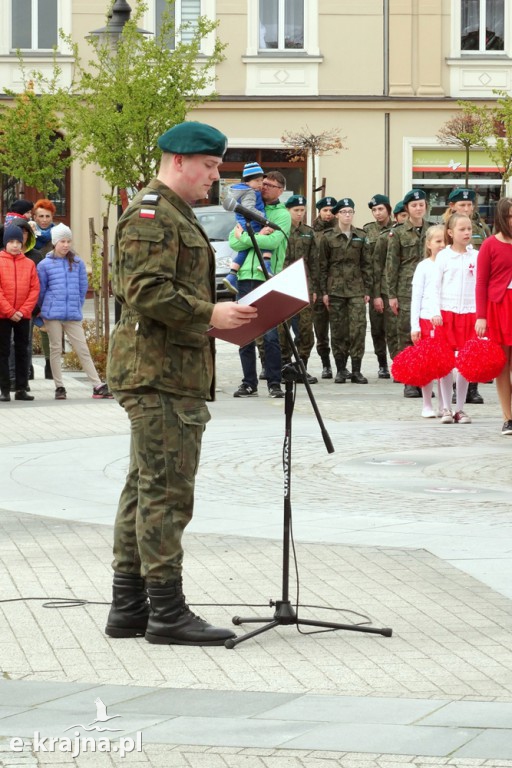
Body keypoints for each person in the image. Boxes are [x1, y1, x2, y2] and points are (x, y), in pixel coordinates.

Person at [105, 121, 256, 646]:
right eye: (210, 166)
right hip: (158, 372)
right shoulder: (153, 214)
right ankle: (167, 612)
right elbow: (145, 290)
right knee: (168, 493)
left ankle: (129, 607)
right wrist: (210, 311)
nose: (215, 177)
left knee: (143, 488)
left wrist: (213, 313)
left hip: (166, 369)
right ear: (178, 161)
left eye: (217, 167)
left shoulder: (174, 213)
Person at [230, 170, 291, 399]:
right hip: (245, 276)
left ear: (280, 190)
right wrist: (244, 238)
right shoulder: (249, 205)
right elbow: (231, 240)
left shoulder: (282, 214)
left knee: (270, 336)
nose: (264, 188)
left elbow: (273, 241)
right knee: (244, 333)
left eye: (270, 185)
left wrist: (245, 237)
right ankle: (248, 382)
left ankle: (275, 383)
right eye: (263, 183)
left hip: (267, 277)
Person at [37, 224, 112, 401]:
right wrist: (43, 310)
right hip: (52, 313)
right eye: (62, 241)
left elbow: (82, 287)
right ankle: (59, 386)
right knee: (56, 349)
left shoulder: (77, 263)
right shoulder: (44, 265)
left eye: (68, 241)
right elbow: (41, 290)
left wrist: (77, 305)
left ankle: (97, 384)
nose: (66, 245)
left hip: (72, 313)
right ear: (55, 242)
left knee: (82, 348)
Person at [385, 188, 435, 397]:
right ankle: (409, 381)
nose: (418, 208)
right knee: (406, 335)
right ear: (407, 208)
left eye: (421, 205)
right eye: (414, 205)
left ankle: (425, 380)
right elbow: (391, 265)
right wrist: (392, 295)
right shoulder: (397, 233)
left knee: (427, 336)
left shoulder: (434, 230)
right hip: (406, 290)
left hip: (430, 289)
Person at [319, 197, 372, 384]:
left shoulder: (361, 236)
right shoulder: (327, 237)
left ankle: (356, 369)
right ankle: (341, 369)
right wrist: (324, 291)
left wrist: (367, 288)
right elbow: (322, 266)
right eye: (343, 212)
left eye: (350, 212)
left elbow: (367, 264)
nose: (347, 215)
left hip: (356, 289)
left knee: (358, 329)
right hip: (335, 290)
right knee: (338, 330)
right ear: (337, 215)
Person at [432, 213, 477, 424]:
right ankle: (446, 408)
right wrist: (435, 311)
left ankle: (460, 408)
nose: (467, 232)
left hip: (469, 312)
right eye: (462, 229)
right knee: (445, 362)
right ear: (450, 232)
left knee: (465, 363)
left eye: (469, 228)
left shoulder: (475, 256)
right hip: (446, 313)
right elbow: (435, 286)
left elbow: (480, 285)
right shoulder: (443, 257)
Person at [445, 187, 488, 406]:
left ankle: (472, 388)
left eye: (470, 204)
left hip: (473, 301)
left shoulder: (481, 229)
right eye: (462, 205)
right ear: (452, 206)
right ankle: (453, 388)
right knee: (452, 350)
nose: (467, 208)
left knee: (472, 347)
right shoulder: (444, 235)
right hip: (451, 302)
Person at [475, 197, 512, 435]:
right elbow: (481, 283)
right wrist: (481, 316)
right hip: (500, 307)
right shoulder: (490, 245)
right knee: (503, 365)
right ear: (501, 217)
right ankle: (508, 417)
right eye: (510, 215)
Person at [278, 195, 317, 384]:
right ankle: (284, 366)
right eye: (296, 210)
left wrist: (315, 287)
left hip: (303, 283)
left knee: (305, 330)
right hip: (283, 284)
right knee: (282, 329)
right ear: (288, 211)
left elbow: (315, 262)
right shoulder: (279, 230)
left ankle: (301, 365)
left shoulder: (309, 233)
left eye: (302, 210)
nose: (300, 214)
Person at [0, 224, 40, 402]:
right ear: (5, 243)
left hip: (23, 315)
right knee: (3, 352)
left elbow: (34, 289)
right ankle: (5, 389)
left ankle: (21, 388)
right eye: (11, 242)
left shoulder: (29, 264)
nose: (15, 245)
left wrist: (23, 311)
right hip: (3, 315)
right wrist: (9, 311)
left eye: (18, 241)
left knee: (23, 350)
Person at [410, 225, 446, 418]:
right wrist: (414, 326)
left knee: (443, 364)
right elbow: (416, 297)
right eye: (437, 241)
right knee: (427, 363)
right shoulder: (423, 266)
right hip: (425, 320)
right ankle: (426, 404)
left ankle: (443, 404)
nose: (441, 245)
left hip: (444, 320)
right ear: (429, 244)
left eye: (444, 241)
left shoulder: (449, 263)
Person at [222, 162, 273, 294]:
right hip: (253, 222)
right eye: (257, 181)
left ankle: (232, 274)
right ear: (248, 181)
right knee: (267, 237)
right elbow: (249, 209)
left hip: (243, 223)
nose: (260, 184)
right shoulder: (250, 192)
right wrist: (264, 220)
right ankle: (266, 264)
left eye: (262, 180)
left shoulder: (241, 190)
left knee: (243, 252)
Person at [372, 200, 408, 365]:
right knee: (391, 330)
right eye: (403, 216)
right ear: (396, 217)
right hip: (390, 290)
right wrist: (377, 294)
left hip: (411, 289)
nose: (405, 219)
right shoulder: (387, 236)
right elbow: (378, 266)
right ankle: (397, 363)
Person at [364, 194, 393, 379]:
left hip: (391, 286)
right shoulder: (368, 230)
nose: (377, 213)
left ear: (388, 210)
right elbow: (369, 264)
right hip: (375, 284)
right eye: (374, 210)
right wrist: (373, 293)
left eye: (381, 209)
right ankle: (382, 364)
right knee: (377, 329)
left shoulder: (397, 229)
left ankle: (397, 362)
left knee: (393, 329)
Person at [312, 196, 337, 378]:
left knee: (340, 330)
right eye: (325, 210)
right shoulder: (311, 233)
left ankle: (342, 366)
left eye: (331, 210)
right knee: (320, 331)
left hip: (336, 286)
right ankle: (326, 364)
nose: (328, 214)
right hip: (317, 287)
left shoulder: (341, 230)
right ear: (319, 212)